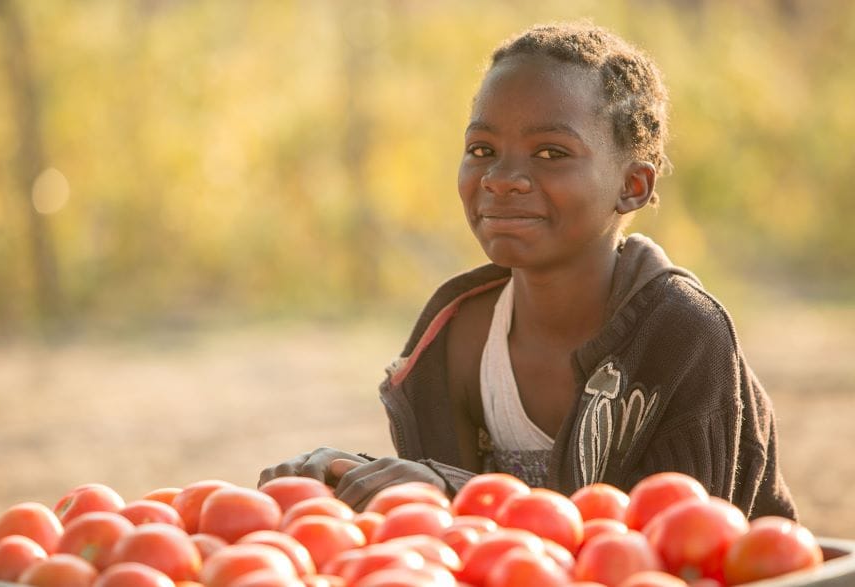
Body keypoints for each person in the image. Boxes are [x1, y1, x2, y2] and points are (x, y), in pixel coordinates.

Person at [259, 21, 797, 520]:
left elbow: (677, 546)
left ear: (632, 185)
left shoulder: (681, 332)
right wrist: (345, 475)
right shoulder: (460, 336)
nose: (502, 177)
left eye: (550, 152)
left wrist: (448, 488)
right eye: (482, 148)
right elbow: (448, 541)